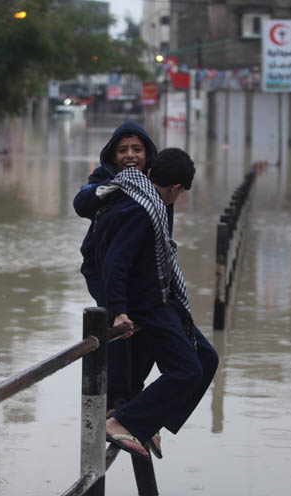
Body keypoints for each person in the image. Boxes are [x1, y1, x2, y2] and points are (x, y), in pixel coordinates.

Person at [93, 147, 219, 459]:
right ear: (177, 189)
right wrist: (119, 312)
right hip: (147, 307)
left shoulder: (144, 197)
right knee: (187, 370)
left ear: (151, 172)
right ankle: (122, 422)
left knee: (206, 360)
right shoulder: (141, 210)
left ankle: (147, 419)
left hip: (164, 300)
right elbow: (115, 264)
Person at [73, 121, 168, 419]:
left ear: (147, 153)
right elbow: (81, 202)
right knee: (118, 328)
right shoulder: (104, 178)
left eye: (137, 149)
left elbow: (164, 228)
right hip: (104, 269)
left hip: (140, 269)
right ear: (112, 155)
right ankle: (115, 402)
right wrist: (113, 188)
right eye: (123, 149)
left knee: (147, 330)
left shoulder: (156, 182)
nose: (130, 155)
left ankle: (132, 399)